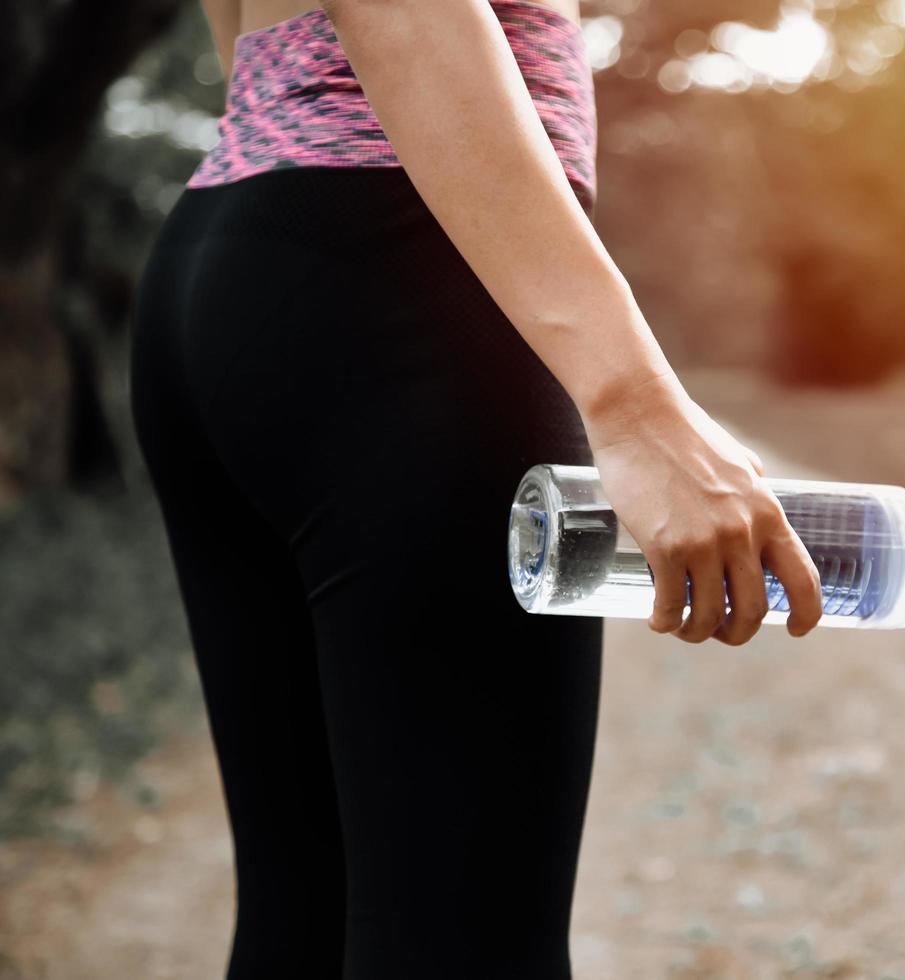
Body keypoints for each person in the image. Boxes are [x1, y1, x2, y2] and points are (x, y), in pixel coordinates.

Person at [127, 0, 826, 975]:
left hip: (233, 252)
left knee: (307, 920)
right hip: (406, 275)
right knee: (466, 947)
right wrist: (632, 402)